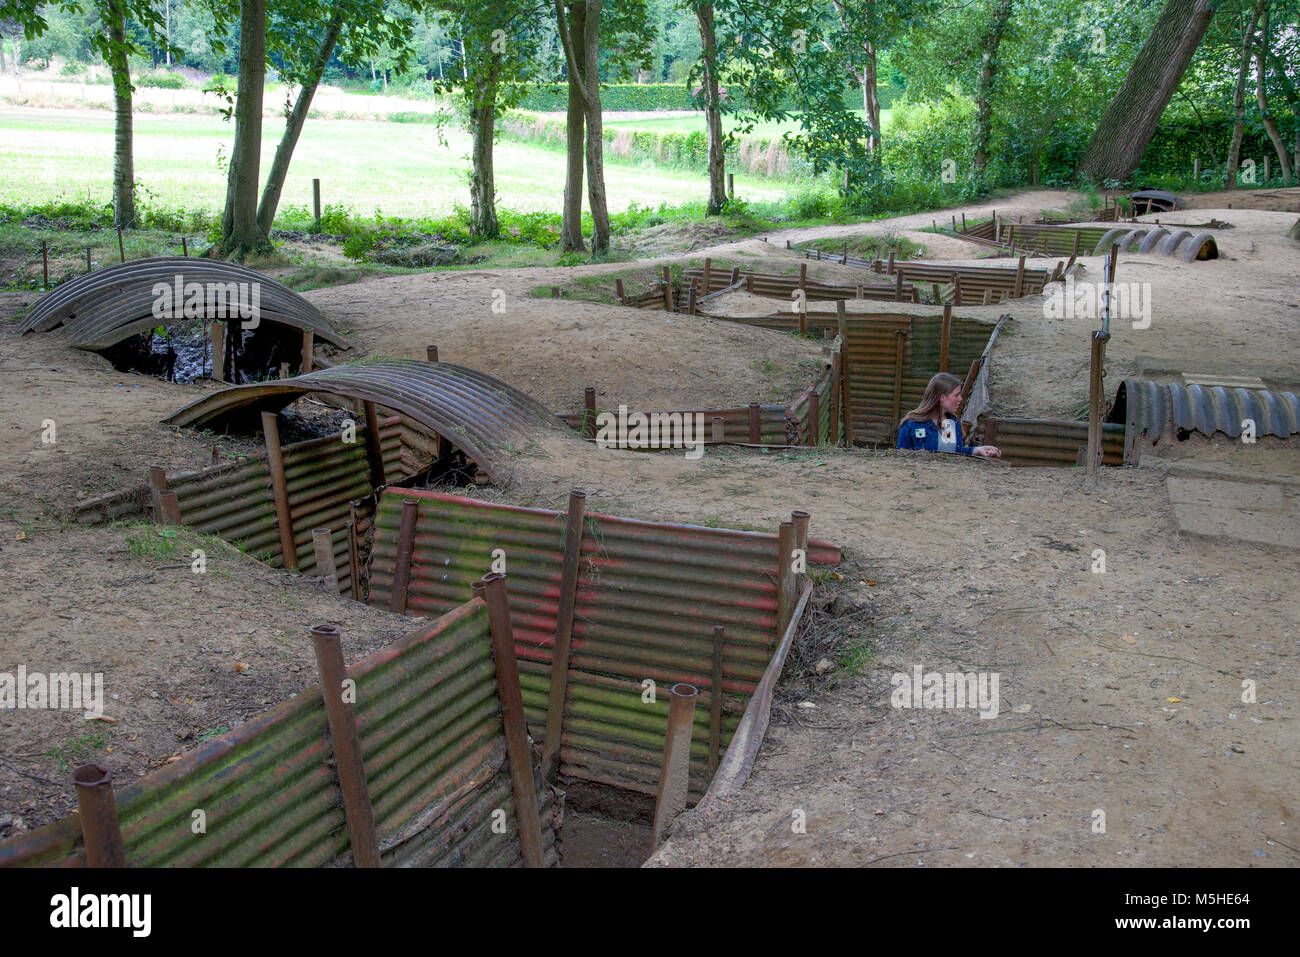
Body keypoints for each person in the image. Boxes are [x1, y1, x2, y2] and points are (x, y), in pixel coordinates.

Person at [896, 372, 1001, 458]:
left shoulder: (952, 423)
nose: (960, 399)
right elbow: (900, 458)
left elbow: (955, 453)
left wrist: (977, 450)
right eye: (956, 395)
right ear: (942, 398)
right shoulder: (911, 424)